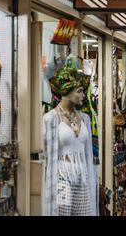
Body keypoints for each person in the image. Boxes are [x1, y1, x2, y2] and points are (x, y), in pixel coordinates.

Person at [43, 65, 97, 216]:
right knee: (62, 213)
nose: (83, 96)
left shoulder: (85, 119)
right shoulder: (50, 119)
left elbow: (87, 150)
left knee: (85, 213)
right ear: (66, 91)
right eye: (79, 91)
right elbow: (45, 155)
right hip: (62, 176)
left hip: (83, 174)